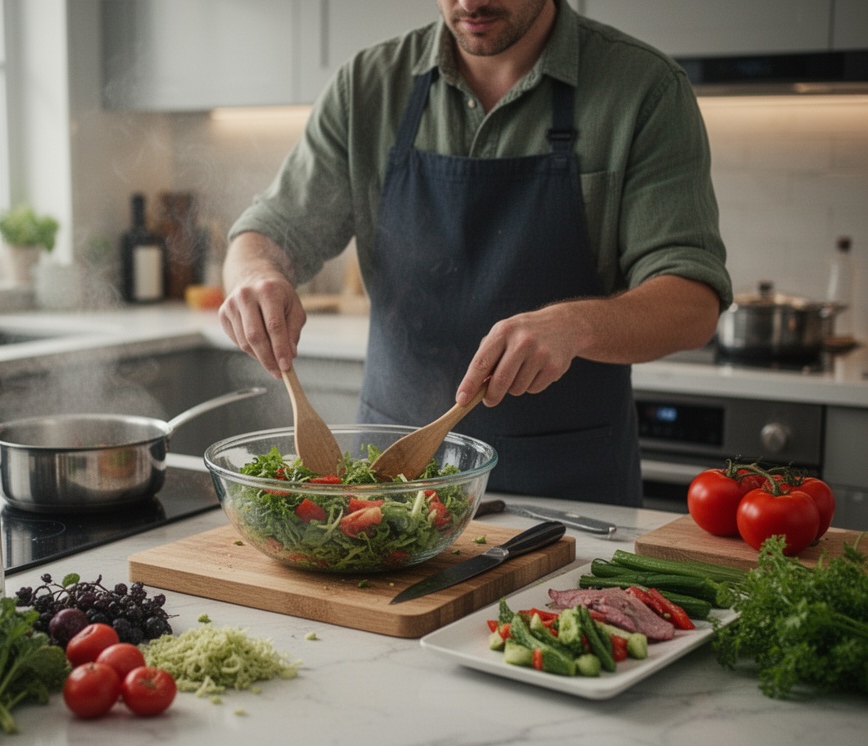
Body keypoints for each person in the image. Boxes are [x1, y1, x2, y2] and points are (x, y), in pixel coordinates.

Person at [218, 0, 732, 506]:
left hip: (569, 498)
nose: (469, 2)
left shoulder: (644, 87)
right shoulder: (369, 85)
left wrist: (577, 325)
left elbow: (693, 304)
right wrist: (256, 275)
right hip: (388, 486)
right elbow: (268, 231)